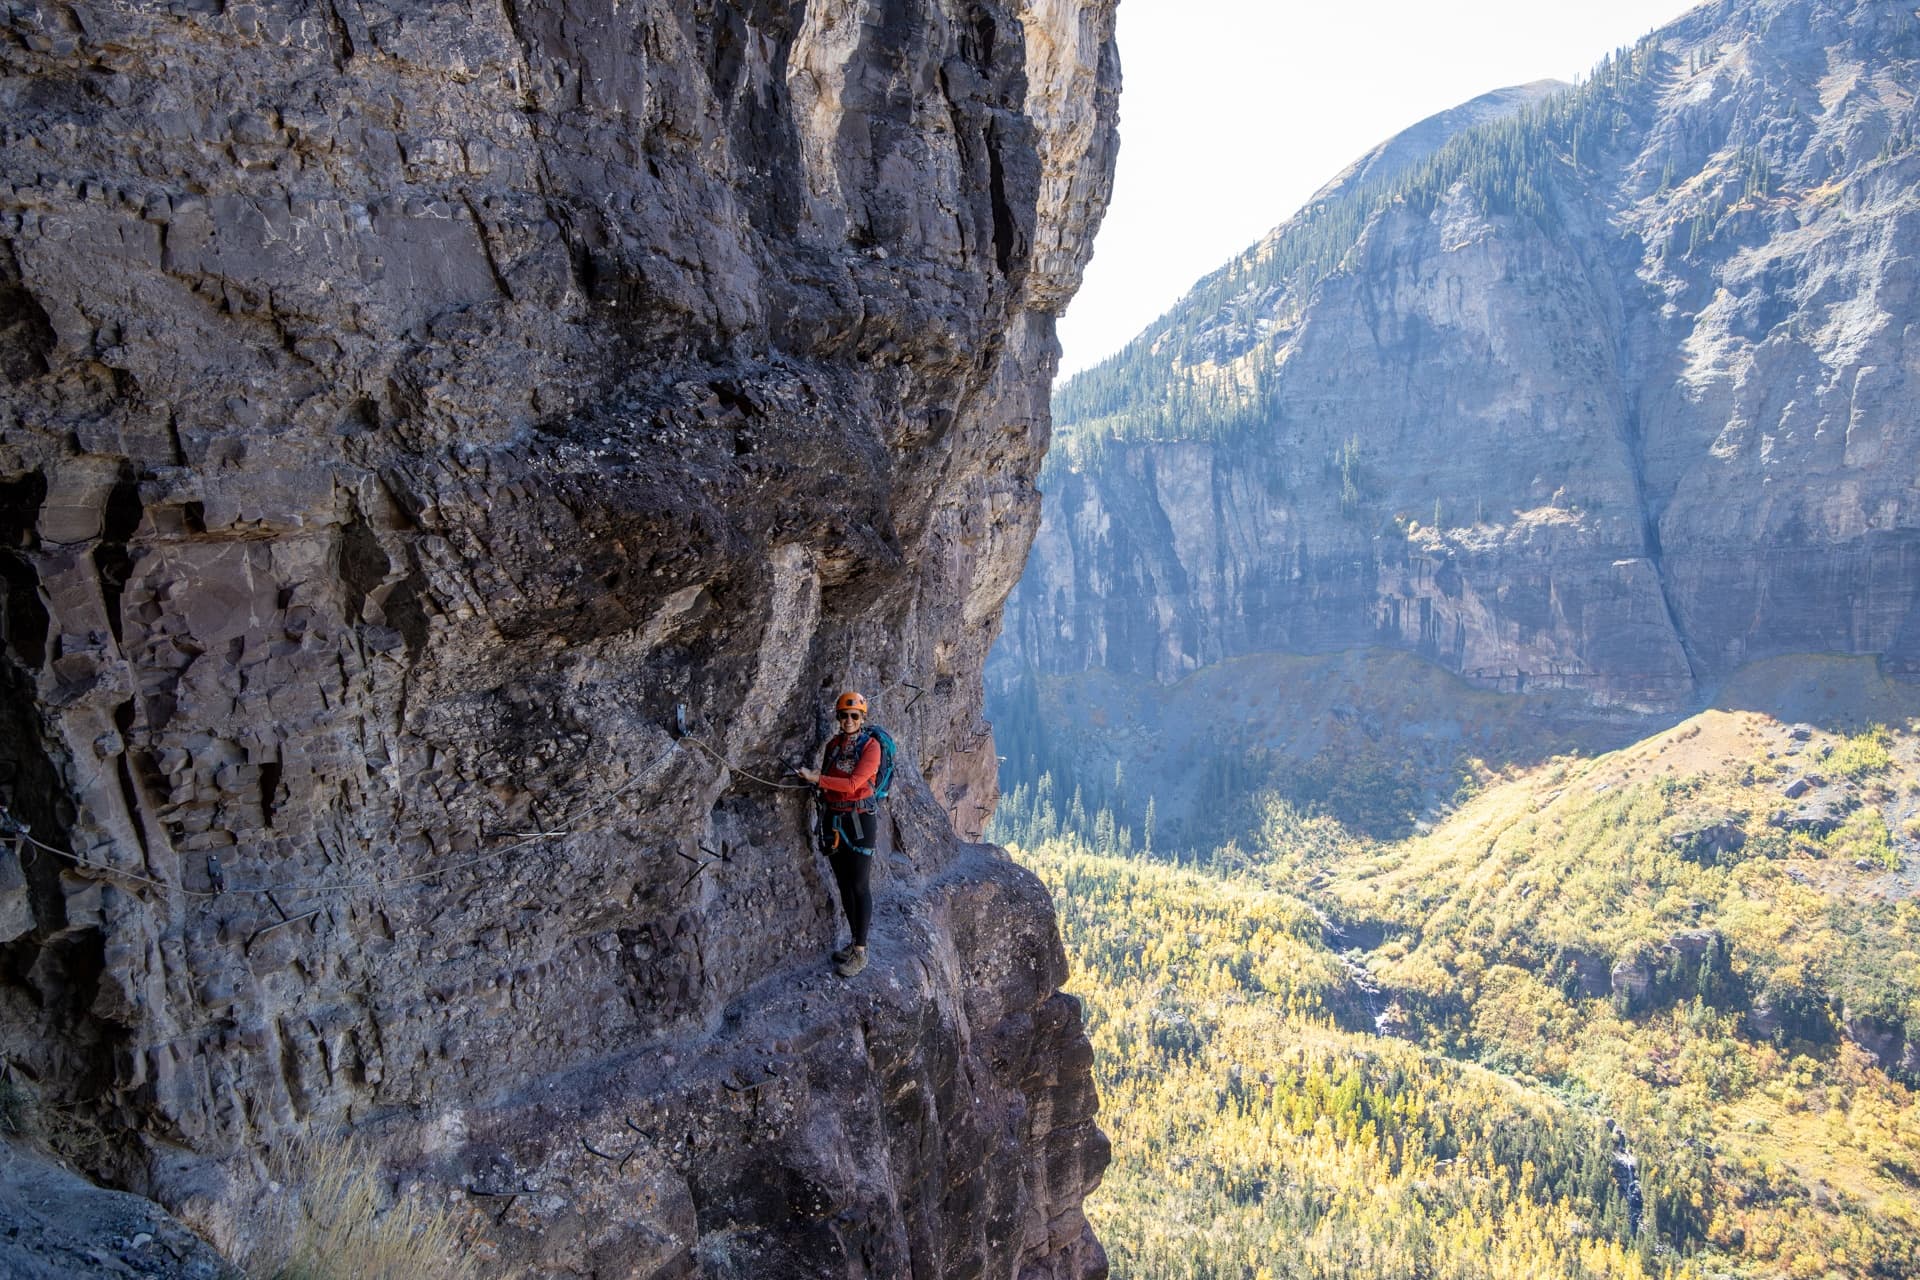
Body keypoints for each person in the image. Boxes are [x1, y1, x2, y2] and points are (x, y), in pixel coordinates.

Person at [796, 691, 882, 977]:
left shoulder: (871, 748)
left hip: (859, 821)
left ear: (862, 718)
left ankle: (861, 950)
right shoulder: (833, 745)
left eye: (854, 716)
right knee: (844, 884)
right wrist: (815, 782)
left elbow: (855, 783)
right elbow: (829, 781)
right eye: (844, 716)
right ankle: (853, 943)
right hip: (835, 818)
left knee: (859, 884)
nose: (848, 720)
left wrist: (817, 779)